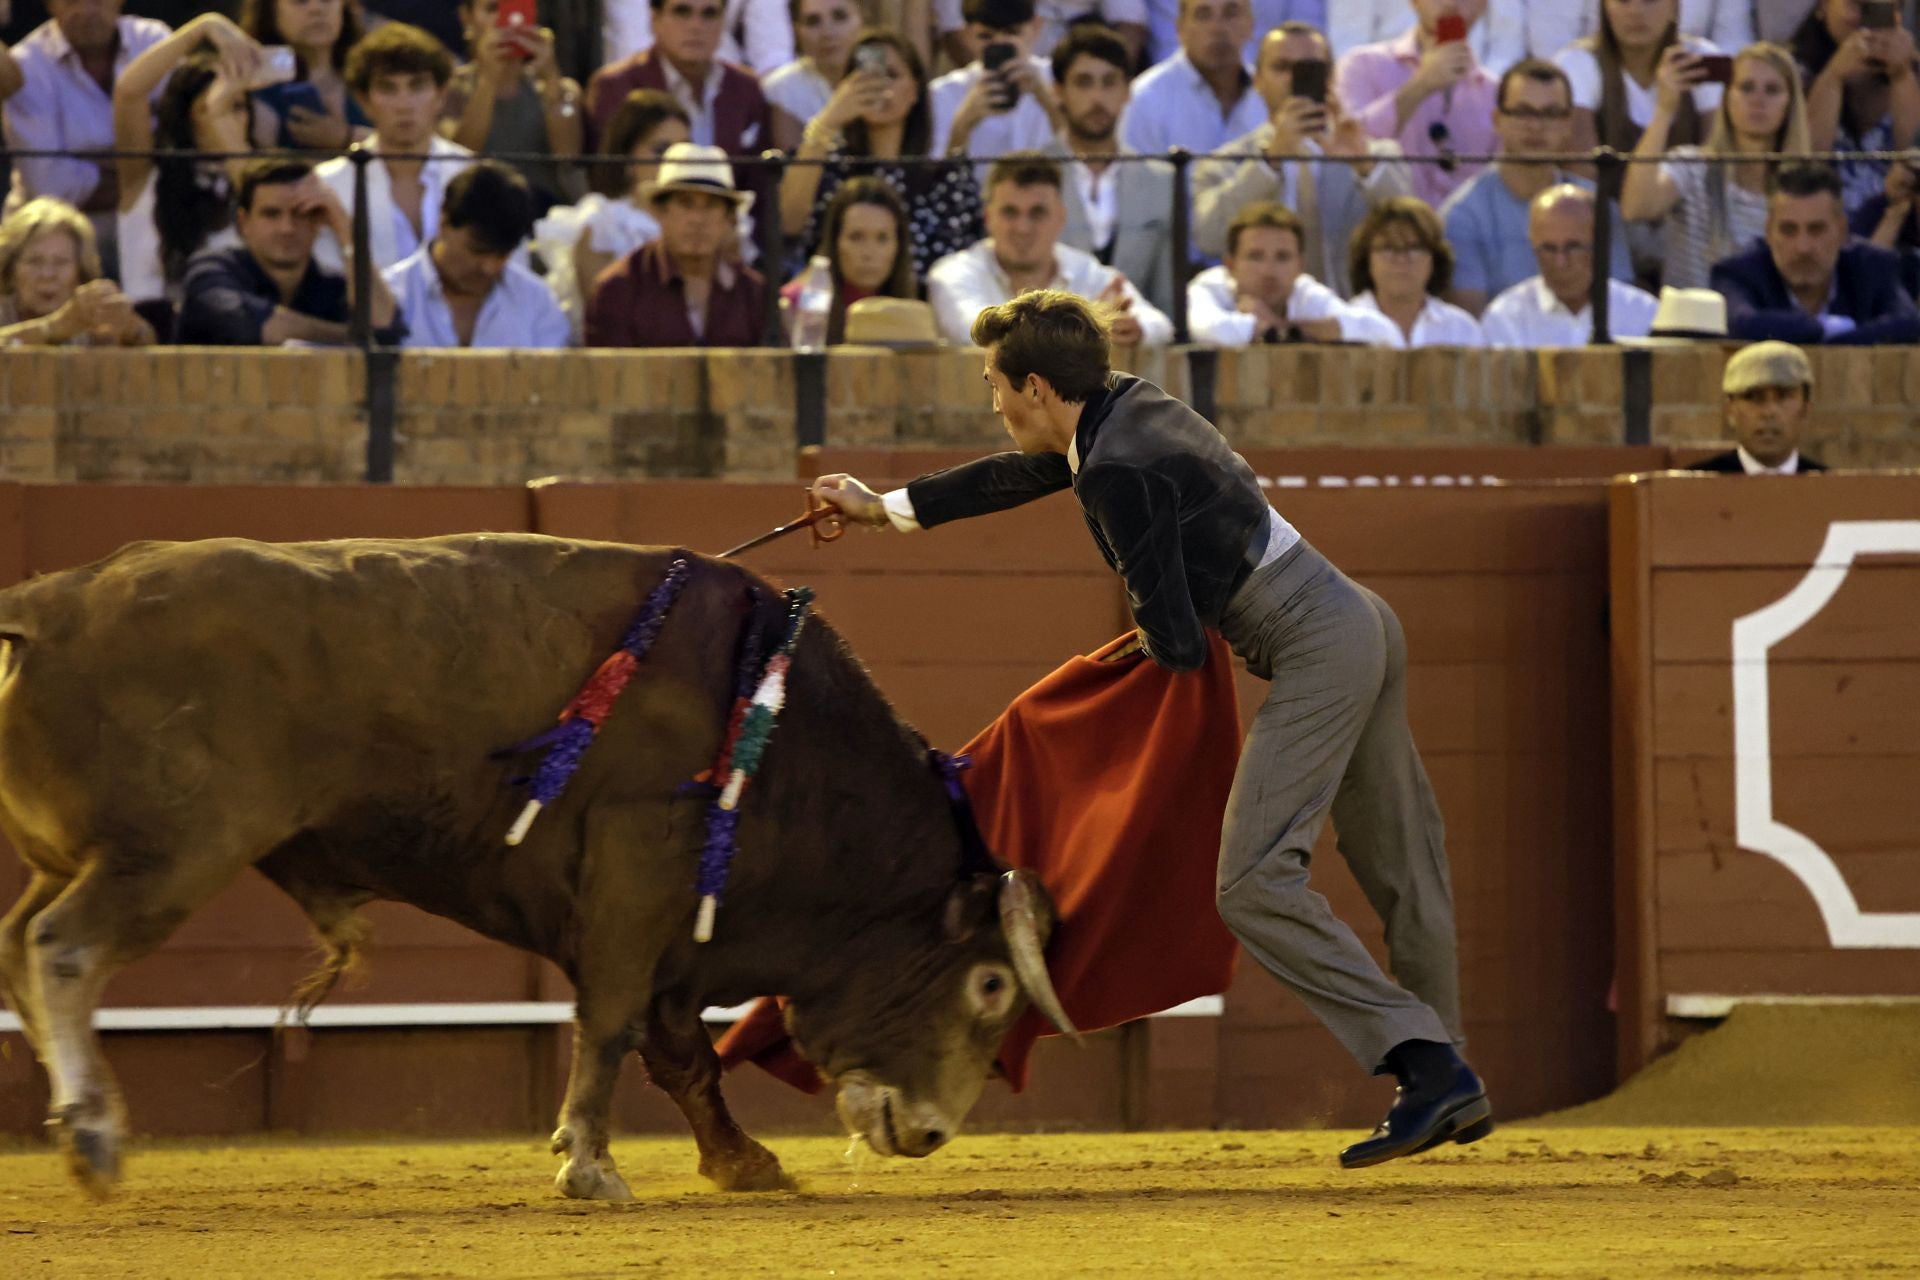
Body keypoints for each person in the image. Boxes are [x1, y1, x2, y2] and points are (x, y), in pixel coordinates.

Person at [808, 288, 1492, 1170]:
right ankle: (1449, 1073)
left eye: (995, 386)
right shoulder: (1124, 408)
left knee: (1253, 886)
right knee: (1402, 860)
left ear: (1038, 388)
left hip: (1318, 642)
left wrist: (1098, 677)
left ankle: (1427, 1067)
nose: (993, 404)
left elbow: (1172, 642)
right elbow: (1024, 472)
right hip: (1353, 615)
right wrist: (888, 506)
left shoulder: (1117, 468)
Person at [1196, 22, 1410, 295]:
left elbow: (1413, 234)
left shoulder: (1378, 156)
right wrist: (1269, 162)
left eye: (1309, 69)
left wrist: (1364, 165)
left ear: (1331, 79)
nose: (1292, 80)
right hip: (1262, 321)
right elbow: (1209, 237)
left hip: (1356, 318)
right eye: (1282, 67)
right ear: (1258, 81)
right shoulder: (1226, 162)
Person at [781, 29, 985, 279]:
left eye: (891, 75)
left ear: (915, 90)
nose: (878, 87)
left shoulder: (945, 177)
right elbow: (788, 225)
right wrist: (826, 122)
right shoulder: (825, 166)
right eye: (865, 76)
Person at [1440, 58, 1632, 316]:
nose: (1536, 126)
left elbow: (1622, 309)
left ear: (1568, 124)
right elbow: (1473, 327)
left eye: (1550, 114)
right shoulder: (1462, 215)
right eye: (1522, 112)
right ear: (1497, 119)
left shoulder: (1598, 209)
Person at [926, 152, 1171, 347]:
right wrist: (1084, 328)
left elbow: (1159, 325)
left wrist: (1134, 329)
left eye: (1037, 213)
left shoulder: (1086, 270)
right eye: (1010, 212)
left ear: (1061, 218)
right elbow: (974, 330)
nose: (1022, 228)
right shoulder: (953, 273)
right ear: (988, 218)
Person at [1620, 40, 1810, 290]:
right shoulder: (1691, 166)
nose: (1758, 99)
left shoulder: (1806, 188)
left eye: (1772, 90)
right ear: (1726, 98)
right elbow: (1637, 207)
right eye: (1746, 87)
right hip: (1691, 324)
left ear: (1789, 104)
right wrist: (1665, 109)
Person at [3, 0, 171, 277]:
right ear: (49, 5)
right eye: (71, 0)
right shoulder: (27, 65)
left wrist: (90, 167)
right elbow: (51, 188)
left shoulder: (153, 40)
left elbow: (188, 148)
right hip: (57, 240)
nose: (86, 10)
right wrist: (143, 169)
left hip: (151, 225)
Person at [177, 156, 404, 345]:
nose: (287, 228)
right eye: (271, 214)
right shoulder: (211, 271)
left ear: (318, 222)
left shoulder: (330, 285)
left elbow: (385, 332)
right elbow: (255, 326)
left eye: (300, 214)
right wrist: (353, 337)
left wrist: (343, 226)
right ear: (244, 222)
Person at [111, 21, 259, 305]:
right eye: (210, 107)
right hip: (153, 338)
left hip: (239, 339)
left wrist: (223, 125)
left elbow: (257, 193)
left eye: (237, 106)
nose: (225, 117)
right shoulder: (144, 176)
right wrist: (202, 28)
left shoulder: (258, 183)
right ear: (186, 118)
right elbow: (128, 91)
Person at [314, 23, 475, 273]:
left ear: (441, 96)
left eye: (417, 86)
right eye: (388, 88)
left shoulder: (474, 175)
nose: (404, 104)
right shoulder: (328, 185)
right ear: (364, 101)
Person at [1044, 25, 1177, 316]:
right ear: (1058, 91)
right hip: (1046, 349)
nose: (1097, 98)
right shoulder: (1030, 173)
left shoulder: (1161, 181)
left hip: (1138, 346)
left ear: (1127, 91)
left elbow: (1166, 295)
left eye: (1109, 82)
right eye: (1083, 82)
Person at [1710, 160, 1920, 345]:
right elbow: (1741, 323)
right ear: (1768, 232)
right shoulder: (1737, 273)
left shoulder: (1873, 266)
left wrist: (1828, 336)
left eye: (1816, 230)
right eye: (1788, 230)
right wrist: (1827, 329)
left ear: (1841, 231)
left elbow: (1908, 323)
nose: (1803, 247)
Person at [583, 141, 765, 347]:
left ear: (728, 218)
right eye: (685, 204)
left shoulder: (754, 295)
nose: (697, 219)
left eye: (711, 205)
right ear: (660, 212)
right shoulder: (618, 290)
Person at [384, 160, 569, 348]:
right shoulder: (392, 296)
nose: (488, 268)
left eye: (502, 256)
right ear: (444, 222)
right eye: (477, 251)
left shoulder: (537, 302)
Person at [1336, 0, 1500, 208]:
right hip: (1382, 226)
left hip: (1462, 235)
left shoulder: (1495, 93)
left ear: (1484, 5)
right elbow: (1349, 146)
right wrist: (1421, 85)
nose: (1451, 4)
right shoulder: (1362, 65)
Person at [440, 0, 585, 214]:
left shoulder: (562, 89)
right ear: (466, 16)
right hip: (477, 215)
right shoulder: (448, 90)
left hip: (547, 217)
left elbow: (568, 155)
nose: (504, 22)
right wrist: (489, 80)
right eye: (492, 9)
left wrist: (551, 77)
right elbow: (459, 155)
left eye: (515, 9)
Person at [1189, 201, 1399, 345]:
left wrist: (1275, 327)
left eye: (1282, 257)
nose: (1268, 270)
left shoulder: (1305, 291)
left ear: (1300, 266)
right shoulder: (1209, 286)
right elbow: (1207, 329)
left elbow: (1386, 332)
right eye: (1255, 256)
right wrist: (1302, 332)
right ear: (1230, 265)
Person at [585, 0, 772, 156]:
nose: (696, 26)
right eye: (682, 12)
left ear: (723, 22)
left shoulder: (746, 87)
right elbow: (607, 180)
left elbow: (759, 185)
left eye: (709, 14)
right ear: (654, 19)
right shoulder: (616, 86)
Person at [1481, 184, 1659, 346]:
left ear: (1600, 245)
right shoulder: (1505, 318)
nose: (1560, 262)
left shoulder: (1643, 314)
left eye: (1573, 247)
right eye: (1548, 249)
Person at [1796, 0, 1920, 216]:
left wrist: (1901, 76)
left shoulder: (1913, 77)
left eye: (1880, 9)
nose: (1865, 20)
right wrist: (1832, 78)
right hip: (1813, 230)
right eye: (1857, 5)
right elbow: (1804, 171)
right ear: (1823, 6)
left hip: (1899, 230)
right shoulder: (1792, 73)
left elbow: (1914, 162)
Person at [1556, 0, 1724, 160]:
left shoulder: (1700, 59)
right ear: (1604, 7)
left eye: (1649, 0)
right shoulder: (1576, 62)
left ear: (1673, 6)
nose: (1635, 12)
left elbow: (1716, 163)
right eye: (1623, 1)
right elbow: (1581, 170)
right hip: (1599, 190)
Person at [779, 175, 918, 343]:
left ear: (898, 245)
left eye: (882, 238)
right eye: (856, 237)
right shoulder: (798, 304)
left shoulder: (914, 314)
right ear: (835, 242)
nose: (869, 252)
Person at [1119, 0, 1267, 157]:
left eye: (1230, 13)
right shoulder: (1144, 100)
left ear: (1251, 23)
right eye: (1203, 15)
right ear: (1180, 28)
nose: (1217, 28)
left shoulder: (1270, 95)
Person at [0, 196, 153, 345]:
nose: (47, 274)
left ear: (80, 272)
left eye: (61, 262)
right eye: (34, 262)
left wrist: (129, 327)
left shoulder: (91, 319)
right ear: (11, 270)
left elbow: (149, 344)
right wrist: (54, 327)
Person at [929, 0, 1063, 164]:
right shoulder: (943, 93)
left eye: (1012, 33)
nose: (999, 43)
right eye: (986, 36)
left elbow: (1087, 153)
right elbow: (934, 177)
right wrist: (963, 123)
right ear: (967, 36)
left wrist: (1046, 101)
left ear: (1036, 26)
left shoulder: (1060, 79)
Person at [1347, 195, 1483, 345]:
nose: (1400, 259)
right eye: (1388, 247)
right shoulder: (1343, 325)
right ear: (1366, 258)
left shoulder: (1462, 330)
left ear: (1434, 259)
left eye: (1414, 248)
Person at [239, 0, 370, 150]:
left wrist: (347, 137)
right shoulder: (254, 85)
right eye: (300, 1)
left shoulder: (371, 75)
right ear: (270, 11)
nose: (316, 9)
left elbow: (400, 146)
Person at [1690, 338, 1829, 473]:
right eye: (1753, 397)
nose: (1768, 412)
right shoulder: (1691, 488)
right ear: (1730, 410)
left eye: (1783, 397)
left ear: (1805, 408)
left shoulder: (1832, 489)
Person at [601, 0, 795, 78]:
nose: (695, 26)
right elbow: (634, 40)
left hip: (726, 83)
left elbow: (773, 55)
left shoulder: (743, 88)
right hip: (647, 80)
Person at [764, 0, 862, 152]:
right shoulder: (781, 88)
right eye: (813, 21)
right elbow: (793, 171)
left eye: (840, 17)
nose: (828, 33)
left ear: (862, 19)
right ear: (796, 31)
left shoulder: (890, 76)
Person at [937, 0, 1148, 66]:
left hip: (1072, 72)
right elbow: (956, 34)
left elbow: (1128, 26)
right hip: (986, 69)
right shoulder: (947, 94)